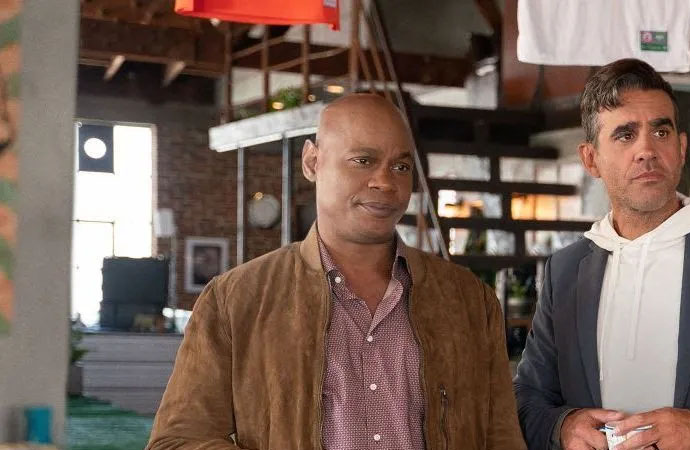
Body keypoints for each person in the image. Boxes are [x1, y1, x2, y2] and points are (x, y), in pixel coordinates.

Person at [147, 94, 525, 450]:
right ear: (312, 162)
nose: (385, 182)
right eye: (363, 160)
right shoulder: (236, 299)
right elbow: (178, 441)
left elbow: (502, 438)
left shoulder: (468, 300)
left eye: (401, 166)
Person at [514, 58, 690, 450]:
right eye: (625, 135)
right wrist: (563, 426)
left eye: (660, 131)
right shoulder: (565, 271)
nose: (646, 150)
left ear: (681, 148)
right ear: (591, 159)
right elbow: (528, 396)